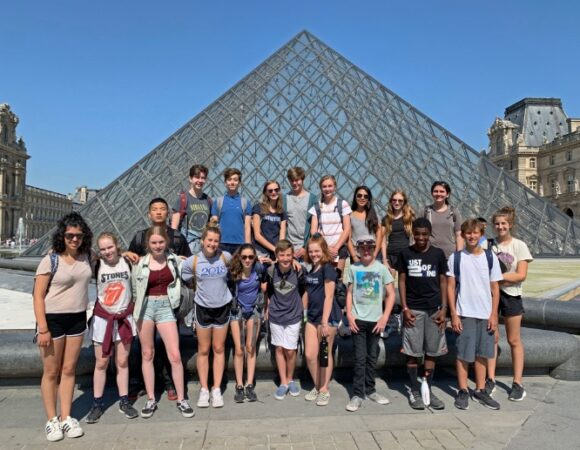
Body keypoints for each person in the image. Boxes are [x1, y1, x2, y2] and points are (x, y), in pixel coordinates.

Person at [33, 212, 93, 441]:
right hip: (53, 320)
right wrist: (43, 328)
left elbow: (111, 255)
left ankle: (66, 417)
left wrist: (127, 254)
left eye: (78, 235)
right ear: (62, 235)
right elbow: (38, 296)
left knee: (69, 371)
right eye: (70, 235)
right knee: (51, 372)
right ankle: (51, 420)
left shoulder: (87, 256)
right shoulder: (50, 260)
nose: (74, 239)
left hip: (77, 318)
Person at [126, 197, 190, 403]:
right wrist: (126, 254)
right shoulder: (139, 237)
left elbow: (187, 267)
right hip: (145, 303)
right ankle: (139, 384)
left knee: (167, 346)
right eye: (155, 209)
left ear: (168, 213)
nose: (159, 212)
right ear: (149, 213)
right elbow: (130, 265)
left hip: (169, 303)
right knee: (142, 347)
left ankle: (169, 383)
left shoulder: (178, 238)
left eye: (163, 209)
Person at [132, 226, 194, 419]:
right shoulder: (139, 263)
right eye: (154, 243)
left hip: (167, 307)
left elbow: (197, 266)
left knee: (175, 355)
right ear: (147, 244)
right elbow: (135, 291)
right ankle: (151, 398)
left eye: (161, 242)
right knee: (147, 353)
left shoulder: (176, 260)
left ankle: (182, 399)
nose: (158, 246)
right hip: (146, 308)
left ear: (166, 242)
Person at [447, 219, 502, 411]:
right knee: (463, 354)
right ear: (463, 235)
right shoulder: (456, 258)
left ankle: (480, 389)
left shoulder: (490, 257)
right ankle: (462, 390)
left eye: (475, 233)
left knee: (482, 354)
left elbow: (495, 288)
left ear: (481, 235)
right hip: (465, 312)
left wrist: (494, 315)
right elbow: (451, 286)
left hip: (485, 312)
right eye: (468, 233)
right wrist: (453, 314)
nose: (471, 236)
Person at [86, 232, 138, 424]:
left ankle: (124, 401)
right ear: (99, 251)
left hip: (124, 318)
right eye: (103, 248)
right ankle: (97, 403)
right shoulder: (97, 265)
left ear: (117, 246)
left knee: (122, 362)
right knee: (101, 363)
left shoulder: (129, 262)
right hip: (103, 320)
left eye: (110, 247)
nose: (107, 251)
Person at [397, 218, 448, 410]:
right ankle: (413, 389)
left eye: (424, 234)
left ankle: (428, 387)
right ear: (412, 234)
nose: (420, 237)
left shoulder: (438, 254)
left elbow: (443, 281)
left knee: (432, 353)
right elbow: (401, 280)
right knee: (412, 353)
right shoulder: (405, 253)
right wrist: (405, 308)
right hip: (414, 310)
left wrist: (444, 309)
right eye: (417, 234)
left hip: (435, 310)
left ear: (430, 234)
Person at [181, 226, 232, 408]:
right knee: (203, 349)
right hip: (202, 308)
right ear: (202, 240)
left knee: (218, 348)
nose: (212, 244)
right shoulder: (192, 262)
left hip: (222, 307)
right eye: (209, 240)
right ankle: (204, 389)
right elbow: (182, 276)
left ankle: (216, 388)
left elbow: (239, 268)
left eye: (215, 241)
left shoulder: (226, 257)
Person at [485, 207, 533, 402]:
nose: (500, 226)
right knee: (491, 339)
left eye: (504, 223)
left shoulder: (519, 245)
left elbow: (521, 274)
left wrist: (497, 278)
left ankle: (518, 383)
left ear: (510, 224)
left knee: (514, 340)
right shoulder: (487, 244)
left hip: (512, 296)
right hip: (490, 296)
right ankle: (490, 379)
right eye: (497, 223)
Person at [344, 238, 396, 412]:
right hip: (358, 319)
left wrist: (384, 318)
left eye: (369, 248)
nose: (366, 251)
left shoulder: (381, 269)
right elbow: (349, 293)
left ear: (375, 249)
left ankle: (371, 390)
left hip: (375, 320)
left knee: (372, 357)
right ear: (358, 250)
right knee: (360, 359)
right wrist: (350, 315)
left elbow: (391, 294)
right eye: (362, 248)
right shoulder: (353, 268)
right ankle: (358, 394)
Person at [264, 240, 306, 400]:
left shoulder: (299, 271)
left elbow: (304, 291)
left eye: (289, 255)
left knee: (290, 350)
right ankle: (283, 382)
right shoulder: (270, 271)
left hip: (293, 315)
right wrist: (266, 309)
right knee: (279, 349)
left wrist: (305, 312)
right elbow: (268, 291)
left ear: (293, 255)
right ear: (276, 256)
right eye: (282, 255)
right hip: (275, 315)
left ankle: (290, 379)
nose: (286, 258)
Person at [303, 234, 341, 406]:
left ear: (323, 250)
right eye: (311, 251)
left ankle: (324, 388)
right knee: (310, 355)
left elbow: (329, 296)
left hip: (327, 318)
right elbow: (307, 293)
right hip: (311, 317)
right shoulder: (311, 269)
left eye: (317, 251)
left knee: (325, 354)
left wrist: (325, 322)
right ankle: (318, 385)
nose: (314, 254)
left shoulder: (327, 268)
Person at [227, 244, 266, 403]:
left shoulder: (259, 269)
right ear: (239, 257)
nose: (247, 260)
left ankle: (249, 384)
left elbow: (277, 265)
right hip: (237, 311)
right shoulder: (233, 271)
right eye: (244, 257)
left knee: (250, 347)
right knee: (238, 349)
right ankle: (239, 384)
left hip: (254, 311)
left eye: (251, 257)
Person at [309, 175, 352, 272]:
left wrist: (336, 248)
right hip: (322, 249)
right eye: (324, 186)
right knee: (322, 279)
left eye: (330, 186)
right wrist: (326, 248)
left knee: (337, 280)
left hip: (339, 249)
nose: (327, 189)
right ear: (321, 188)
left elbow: (347, 228)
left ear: (335, 187)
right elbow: (313, 231)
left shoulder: (343, 204)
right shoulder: (316, 207)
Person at [171, 164, 212, 254]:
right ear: (190, 178)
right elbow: (173, 229)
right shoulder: (182, 199)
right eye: (197, 177)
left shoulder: (208, 200)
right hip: (187, 245)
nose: (200, 180)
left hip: (204, 244)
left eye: (203, 178)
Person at [210, 168, 252, 255]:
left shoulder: (245, 203)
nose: (232, 182)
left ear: (239, 183)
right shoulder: (218, 202)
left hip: (240, 244)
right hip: (221, 243)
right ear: (225, 182)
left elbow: (247, 227)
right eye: (229, 180)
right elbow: (214, 225)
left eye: (235, 180)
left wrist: (247, 245)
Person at [283, 167, 318, 260]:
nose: (294, 183)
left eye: (297, 180)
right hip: (288, 247)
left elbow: (315, 226)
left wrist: (306, 247)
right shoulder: (284, 199)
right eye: (292, 180)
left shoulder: (312, 199)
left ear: (302, 179)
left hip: (306, 247)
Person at [423, 181, 464, 259]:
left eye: (442, 191)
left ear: (447, 194)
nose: (439, 194)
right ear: (432, 193)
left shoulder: (454, 211)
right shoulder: (425, 211)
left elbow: (459, 235)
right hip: (429, 254)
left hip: (450, 255)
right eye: (436, 191)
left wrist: (459, 254)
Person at [252, 180, 288, 259]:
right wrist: (275, 249)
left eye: (276, 190)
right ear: (265, 193)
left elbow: (282, 237)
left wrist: (279, 251)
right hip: (261, 251)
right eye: (270, 191)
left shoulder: (282, 212)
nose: (274, 192)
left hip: (276, 253)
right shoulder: (258, 208)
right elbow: (257, 236)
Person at [382, 190, 415, 272]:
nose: (397, 203)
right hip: (390, 255)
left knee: (403, 284)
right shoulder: (386, 219)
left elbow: (415, 239)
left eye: (400, 200)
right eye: (394, 200)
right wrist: (385, 260)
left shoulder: (410, 218)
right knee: (389, 284)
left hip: (405, 255)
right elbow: (382, 241)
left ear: (404, 202)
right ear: (391, 201)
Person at [347, 186, 383, 262]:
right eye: (359, 195)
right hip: (357, 256)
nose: (362, 198)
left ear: (368, 199)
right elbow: (348, 239)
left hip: (373, 255)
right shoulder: (349, 216)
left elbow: (379, 236)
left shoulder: (374, 215)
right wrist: (354, 257)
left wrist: (375, 254)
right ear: (355, 197)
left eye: (365, 196)